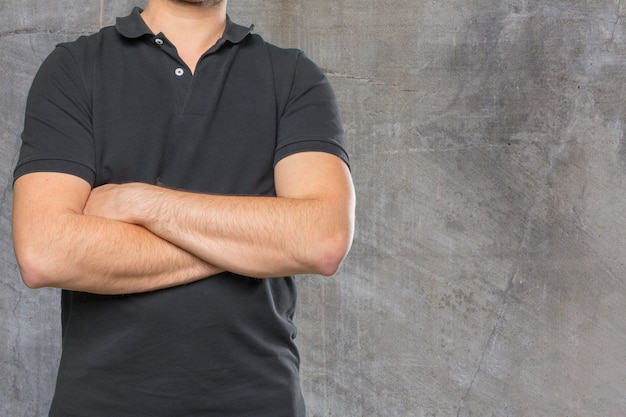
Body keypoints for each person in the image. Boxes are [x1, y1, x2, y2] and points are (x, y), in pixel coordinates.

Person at [12, 0, 355, 416]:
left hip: (260, 402)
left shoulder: (293, 77)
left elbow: (323, 239)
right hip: (101, 404)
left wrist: (141, 201)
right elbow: (46, 253)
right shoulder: (73, 68)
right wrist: (257, 240)